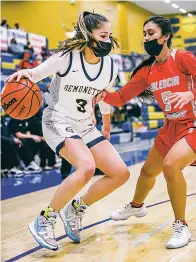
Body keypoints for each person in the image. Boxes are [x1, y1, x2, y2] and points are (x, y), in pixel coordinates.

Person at [5, 11, 130, 251]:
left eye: (110, 35)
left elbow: (104, 98)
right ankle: (45, 219)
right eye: (103, 35)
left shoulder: (110, 66)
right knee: (86, 168)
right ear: (87, 35)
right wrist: (25, 74)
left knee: (120, 173)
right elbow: (36, 73)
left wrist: (105, 127)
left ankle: (76, 208)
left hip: (85, 124)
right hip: (57, 120)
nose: (108, 40)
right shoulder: (67, 57)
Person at [94, 16, 196, 249]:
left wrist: (191, 94)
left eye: (151, 33)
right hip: (171, 126)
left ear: (166, 36)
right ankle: (137, 206)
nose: (146, 38)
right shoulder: (148, 71)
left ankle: (181, 226)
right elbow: (120, 98)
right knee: (148, 172)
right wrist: (100, 93)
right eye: (145, 34)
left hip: (193, 124)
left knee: (171, 166)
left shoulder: (182, 58)